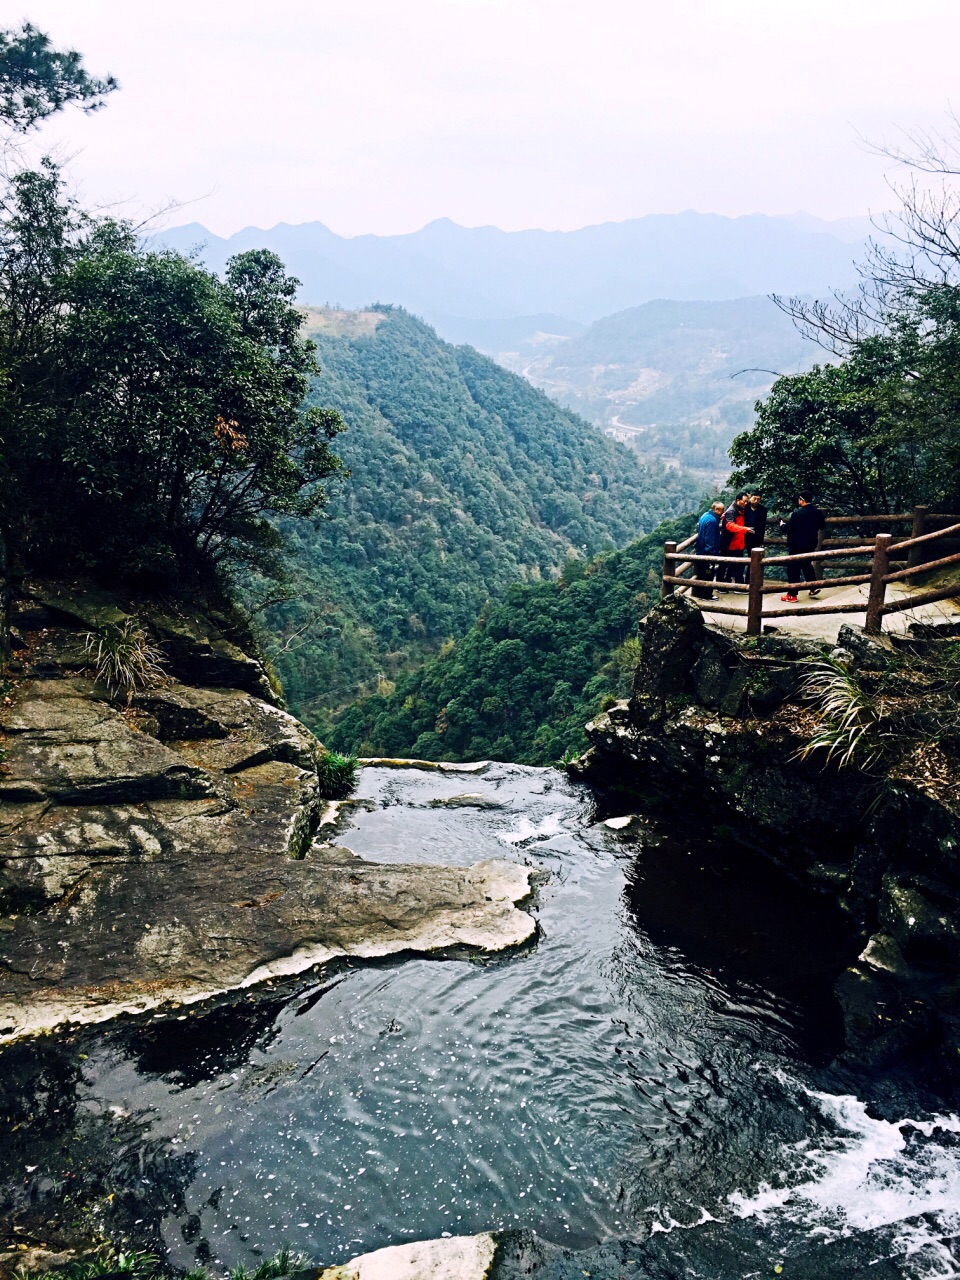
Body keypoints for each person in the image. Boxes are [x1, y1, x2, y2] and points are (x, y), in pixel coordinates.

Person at [781, 491, 826, 602]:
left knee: (793, 569)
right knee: (807, 565)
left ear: (802, 500)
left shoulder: (797, 514)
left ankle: (792, 594)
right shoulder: (818, 513)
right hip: (811, 544)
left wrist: (782, 525)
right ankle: (813, 588)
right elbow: (822, 526)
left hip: (796, 545)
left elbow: (789, 528)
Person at [693, 500, 725, 598]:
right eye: (721, 510)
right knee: (708, 574)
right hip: (707, 552)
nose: (722, 512)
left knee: (701, 574)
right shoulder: (712, 521)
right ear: (716, 510)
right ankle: (707, 595)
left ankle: (699, 593)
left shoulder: (705, 515)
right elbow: (710, 539)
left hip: (700, 550)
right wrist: (712, 553)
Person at [718, 492, 751, 586]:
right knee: (724, 564)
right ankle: (720, 586)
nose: (746, 503)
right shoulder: (731, 511)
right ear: (738, 500)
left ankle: (732, 584)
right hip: (728, 542)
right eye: (744, 501)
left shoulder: (740, 509)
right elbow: (730, 526)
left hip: (738, 542)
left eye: (747, 502)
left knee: (736, 565)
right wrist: (745, 529)